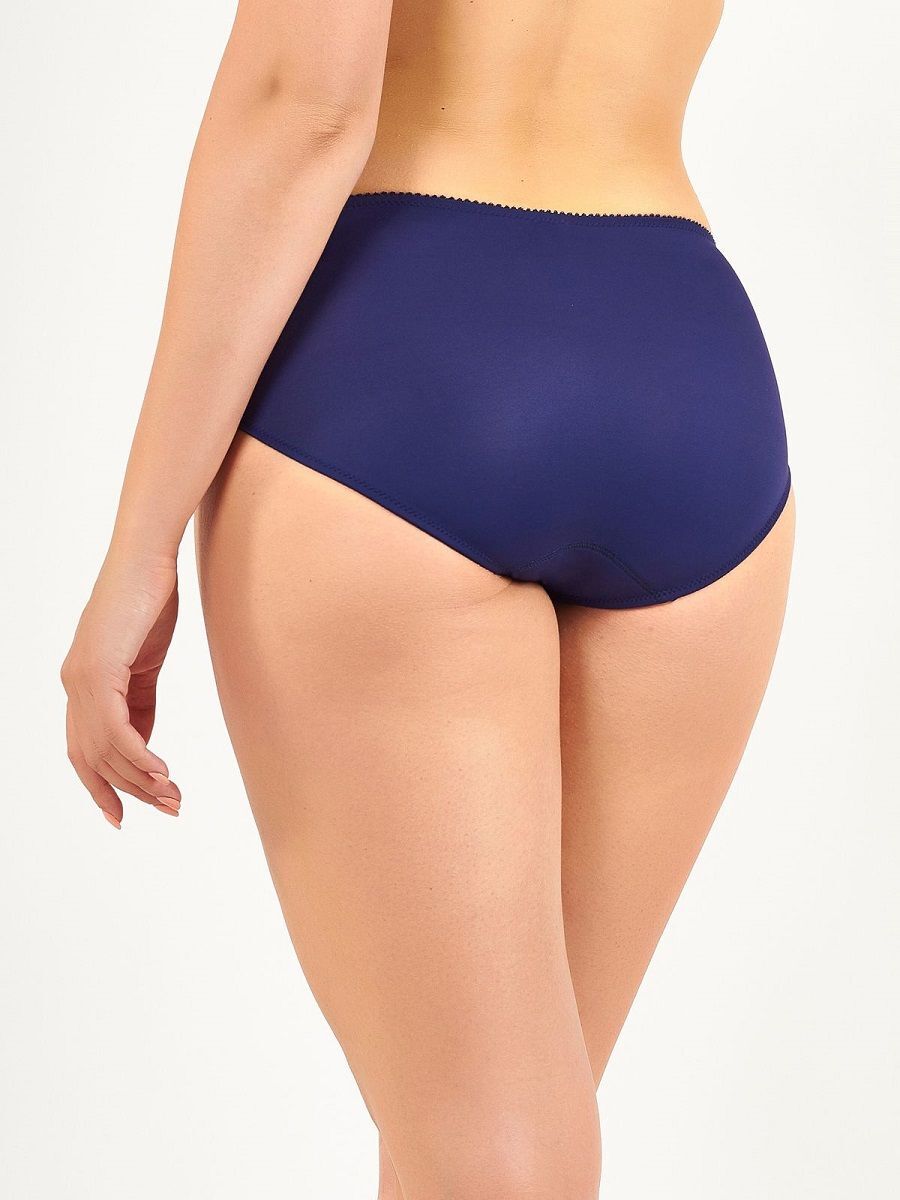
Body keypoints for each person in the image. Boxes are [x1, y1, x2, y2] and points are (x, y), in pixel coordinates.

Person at [61, 2, 795, 1196]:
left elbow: (303, 104)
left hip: (409, 360)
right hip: (690, 369)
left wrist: (139, 546)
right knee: (480, 1135)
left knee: (490, 1158)